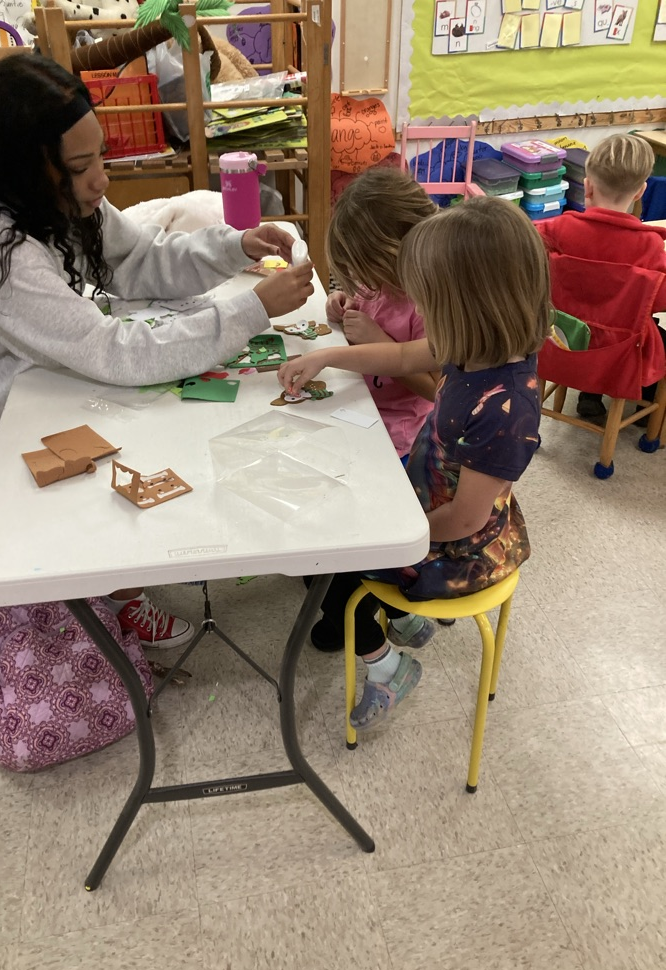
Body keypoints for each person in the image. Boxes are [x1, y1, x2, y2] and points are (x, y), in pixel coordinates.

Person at [0, 53, 313, 649]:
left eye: (100, 155)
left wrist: (235, 247)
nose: (101, 180)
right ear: (26, 168)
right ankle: (111, 604)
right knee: (95, 515)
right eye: (82, 166)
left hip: (48, 381)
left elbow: (139, 257)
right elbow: (114, 353)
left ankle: (113, 589)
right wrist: (251, 308)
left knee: (154, 433)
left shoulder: (61, 196)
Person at [278, 198, 546, 732]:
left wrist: (390, 534)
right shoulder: (469, 343)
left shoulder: (506, 409)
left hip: (458, 547)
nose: (418, 309)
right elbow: (400, 357)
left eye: (428, 299)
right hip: (425, 502)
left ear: (468, 302)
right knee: (332, 519)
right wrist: (325, 356)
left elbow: (466, 521)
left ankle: (389, 668)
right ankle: (404, 619)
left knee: (327, 567)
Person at [534, 133, 666, 423]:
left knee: (600, 324)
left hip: (562, 343)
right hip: (620, 357)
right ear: (640, 192)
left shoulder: (557, 228)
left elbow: (529, 257)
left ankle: (590, 397)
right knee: (642, 330)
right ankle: (645, 411)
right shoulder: (650, 245)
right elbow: (658, 300)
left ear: (587, 186)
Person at [325, 169, 440, 463]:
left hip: (400, 431)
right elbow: (364, 298)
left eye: (364, 267)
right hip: (358, 401)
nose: (359, 277)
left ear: (393, 254)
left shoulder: (426, 306)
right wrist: (342, 302)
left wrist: (379, 341)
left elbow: (435, 391)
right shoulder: (376, 282)